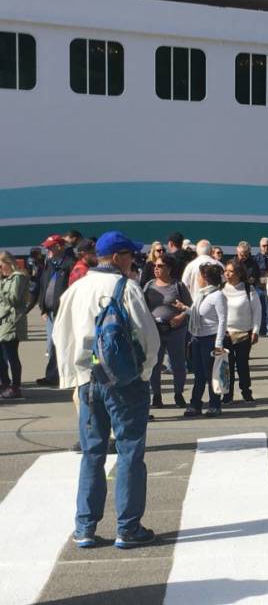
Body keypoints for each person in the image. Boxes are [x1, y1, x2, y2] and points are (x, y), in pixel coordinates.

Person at [52, 231, 160, 549]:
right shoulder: (125, 288)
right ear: (116, 257)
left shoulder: (77, 288)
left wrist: (74, 375)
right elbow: (148, 338)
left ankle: (85, 527)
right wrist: (144, 373)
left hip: (88, 380)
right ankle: (127, 528)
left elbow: (61, 336)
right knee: (129, 453)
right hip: (124, 383)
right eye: (129, 255)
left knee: (92, 454)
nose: (132, 261)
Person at [179, 263, 227, 417]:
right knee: (198, 373)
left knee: (211, 374)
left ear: (205, 278)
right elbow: (197, 313)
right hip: (197, 338)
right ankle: (195, 404)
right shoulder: (201, 294)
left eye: (199, 276)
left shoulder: (218, 295)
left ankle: (215, 405)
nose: (198, 279)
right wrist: (185, 309)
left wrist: (218, 344)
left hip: (210, 339)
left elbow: (222, 320)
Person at [144, 254, 191, 409]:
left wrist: (180, 317)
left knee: (178, 363)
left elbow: (190, 307)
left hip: (176, 330)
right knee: (154, 364)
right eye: (155, 266)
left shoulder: (178, 286)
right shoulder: (149, 285)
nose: (156, 268)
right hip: (155, 330)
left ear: (169, 268)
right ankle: (156, 395)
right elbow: (142, 307)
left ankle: (178, 394)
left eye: (160, 266)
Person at [37, 233, 74, 387]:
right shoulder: (50, 263)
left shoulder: (70, 264)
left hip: (63, 311)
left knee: (62, 343)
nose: (48, 251)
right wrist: (43, 307)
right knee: (52, 345)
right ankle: (52, 375)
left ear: (59, 246)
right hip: (51, 312)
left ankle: (63, 375)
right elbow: (44, 285)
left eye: (50, 247)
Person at [222, 259, 261, 404]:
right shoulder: (221, 288)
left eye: (231, 271)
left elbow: (257, 311)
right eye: (226, 270)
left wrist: (256, 330)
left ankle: (246, 392)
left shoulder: (247, 289)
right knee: (228, 367)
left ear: (238, 273)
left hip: (244, 334)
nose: (227, 273)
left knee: (242, 365)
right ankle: (227, 394)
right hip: (226, 334)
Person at [0, 252, 29, 400]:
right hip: (3, 321)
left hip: (11, 322)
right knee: (2, 356)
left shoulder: (18, 277)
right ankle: (5, 383)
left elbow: (14, 299)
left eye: (1, 265)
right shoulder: (7, 279)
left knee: (11, 355)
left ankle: (15, 386)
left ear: (7, 263)